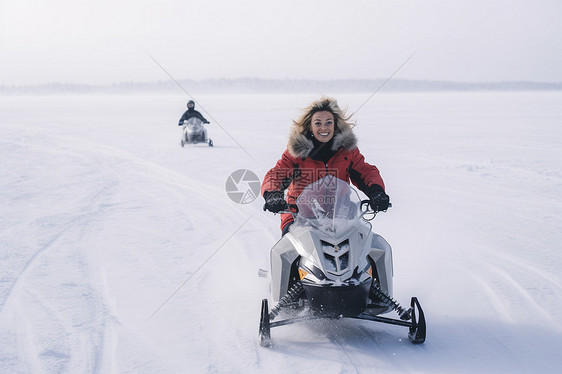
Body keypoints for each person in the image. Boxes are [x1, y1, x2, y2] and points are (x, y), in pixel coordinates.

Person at [261, 97, 390, 235]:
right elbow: (277, 174)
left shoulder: (347, 151)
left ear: (335, 125)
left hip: (342, 217)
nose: (324, 127)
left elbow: (365, 171)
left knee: (371, 246)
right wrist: (273, 194)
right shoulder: (297, 153)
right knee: (291, 252)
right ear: (310, 126)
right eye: (318, 123)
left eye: (329, 122)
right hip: (299, 217)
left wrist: (377, 192)